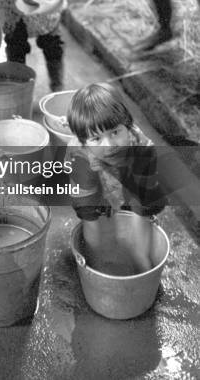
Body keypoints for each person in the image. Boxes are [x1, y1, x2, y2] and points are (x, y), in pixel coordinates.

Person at [66, 82, 165, 273]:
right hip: (93, 177)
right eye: (96, 138)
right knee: (95, 209)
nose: (109, 144)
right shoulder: (80, 157)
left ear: (127, 125)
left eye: (115, 132)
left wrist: (140, 257)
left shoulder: (142, 149)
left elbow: (141, 206)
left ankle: (139, 255)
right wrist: (97, 261)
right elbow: (89, 216)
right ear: (84, 142)